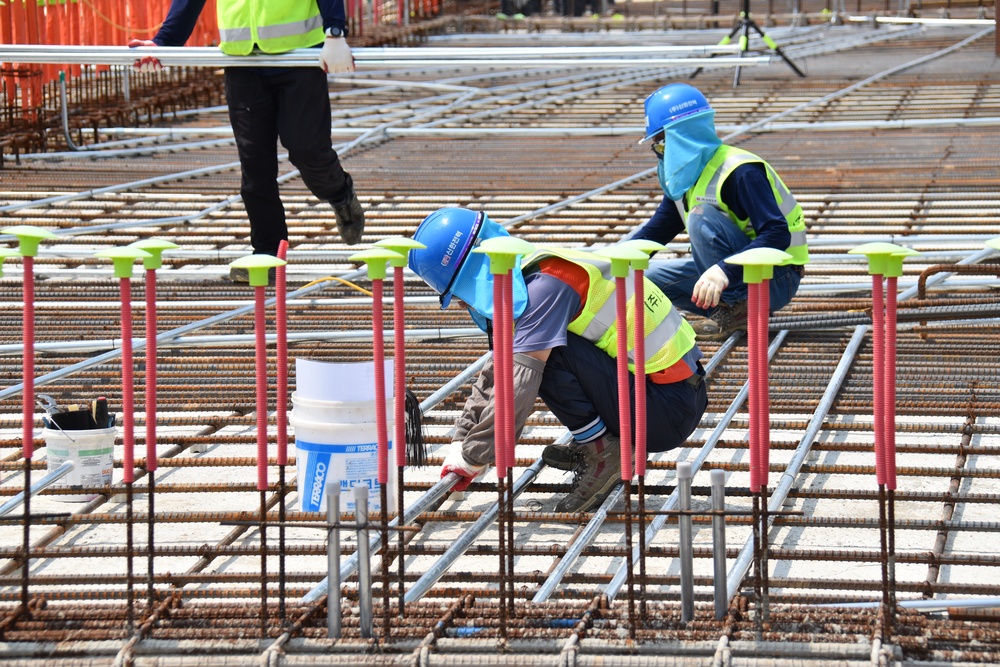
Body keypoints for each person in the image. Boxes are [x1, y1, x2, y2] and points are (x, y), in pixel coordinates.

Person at [407, 207, 708, 512]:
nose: (460, 306)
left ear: (471, 278)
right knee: (533, 348)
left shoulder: (545, 289)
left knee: (546, 357)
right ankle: (601, 441)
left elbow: (517, 388)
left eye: (459, 296)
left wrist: (475, 455)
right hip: (667, 393)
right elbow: (498, 367)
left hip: (667, 411)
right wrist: (463, 437)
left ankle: (604, 451)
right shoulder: (533, 271)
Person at [128, 0, 366, 282]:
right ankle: (266, 254)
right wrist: (165, 41)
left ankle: (340, 195)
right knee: (255, 165)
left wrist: (334, 32)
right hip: (242, 61)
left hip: (298, 57)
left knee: (307, 149)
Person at [631, 83, 808, 340]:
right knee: (644, 279)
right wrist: (604, 266)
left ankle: (737, 306)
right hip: (736, 275)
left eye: (661, 144)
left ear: (682, 135)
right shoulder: (687, 178)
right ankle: (729, 309)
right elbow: (653, 234)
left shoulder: (740, 171)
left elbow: (777, 234)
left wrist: (724, 270)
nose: (659, 154)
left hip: (777, 277)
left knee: (700, 214)